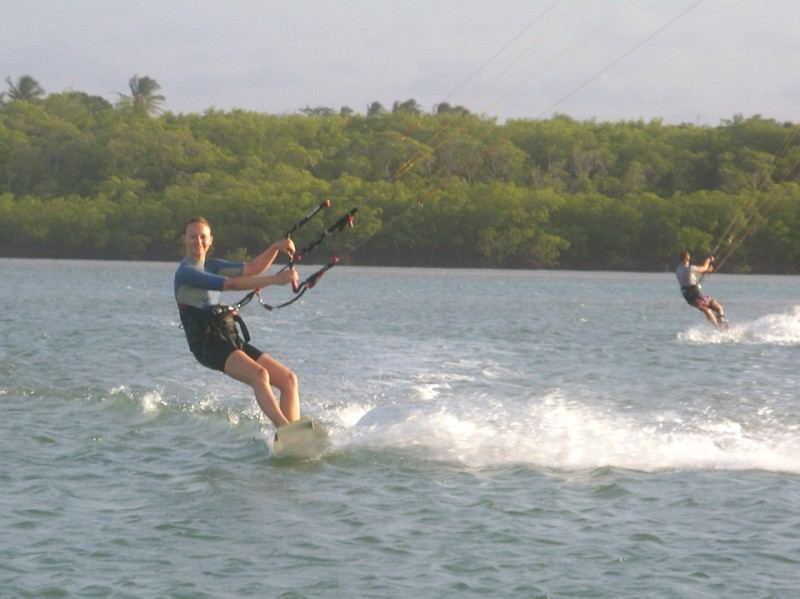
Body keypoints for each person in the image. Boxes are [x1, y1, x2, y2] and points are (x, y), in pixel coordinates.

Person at [174, 216, 300, 428]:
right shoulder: (186, 272)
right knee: (259, 375)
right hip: (206, 343)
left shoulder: (211, 265)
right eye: (192, 237)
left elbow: (251, 269)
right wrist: (275, 280)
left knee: (288, 380)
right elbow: (230, 285)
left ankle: (295, 434)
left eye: (203, 237)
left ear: (211, 240)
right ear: (184, 240)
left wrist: (275, 248)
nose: (198, 242)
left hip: (227, 336)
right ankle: (284, 428)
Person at [675, 250, 727, 329]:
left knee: (709, 309)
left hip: (688, 297)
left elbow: (692, 276)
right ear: (687, 259)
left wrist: (706, 271)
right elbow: (704, 267)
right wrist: (708, 259)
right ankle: (721, 328)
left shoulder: (678, 269)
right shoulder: (690, 268)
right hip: (695, 295)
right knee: (717, 308)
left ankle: (719, 327)